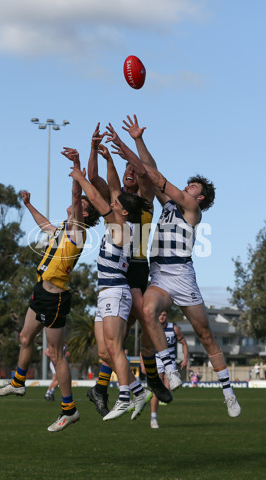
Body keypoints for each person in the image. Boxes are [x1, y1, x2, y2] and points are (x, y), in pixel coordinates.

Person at [0, 148, 100, 433]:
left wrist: (78, 166)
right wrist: (29, 205)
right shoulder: (64, 228)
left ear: (83, 212)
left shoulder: (78, 230)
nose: (75, 205)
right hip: (40, 290)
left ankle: (69, 409)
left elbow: (76, 197)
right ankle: (18, 383)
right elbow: (45, 226)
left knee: (55, 355)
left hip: (55, 298)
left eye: (80, 205)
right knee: (25, 336)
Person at [134, 153, 241, 417]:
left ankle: (228, 393)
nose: (186, 187)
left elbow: (157, 177)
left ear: (200, 197)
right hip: (159, 274)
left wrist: (127, 150)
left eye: (193, 187)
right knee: (147, 313)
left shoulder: (192, 209)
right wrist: (137, 140)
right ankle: (170, 368)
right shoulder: (170, 204)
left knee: (206, 336)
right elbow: (153, 171)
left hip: (182, 275)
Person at [86, 119, 174, 417]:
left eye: (133, 170)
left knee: (146, 324)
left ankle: (140, 379)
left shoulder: (145, 199)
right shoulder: (119, 201)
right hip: (119, 273)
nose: (130, 172)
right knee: (115, 340)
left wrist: (132, 144)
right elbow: (106, 183)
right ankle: (111, 385)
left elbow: (149, 171)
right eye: (128, 170)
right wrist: (106, 155)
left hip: (138, 269)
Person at [70, 151, 153, 421]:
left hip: (115, 292)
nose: (112, 203)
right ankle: (139, 391)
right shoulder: (120, 221)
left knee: (115, 348)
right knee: (105, 351)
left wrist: (80, 176)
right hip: (105, 292)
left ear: (123, 211)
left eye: (116, 204)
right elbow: (112, 184)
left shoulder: (120, 225)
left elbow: (95, 197)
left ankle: (126, 396)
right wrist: (106, 159)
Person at [142, 311, 189, 429]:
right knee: (157, 389)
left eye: (164, 315)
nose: (162, 317)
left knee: (167, 389)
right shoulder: (152, 328)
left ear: (167, 316)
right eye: (160, 315)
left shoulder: (174, 329)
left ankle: (158, 394)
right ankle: (153, 418)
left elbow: (184, 344)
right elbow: (144, 347)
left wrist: (185, 359)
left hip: (170, 360)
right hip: (157, 360)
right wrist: (143, 364)